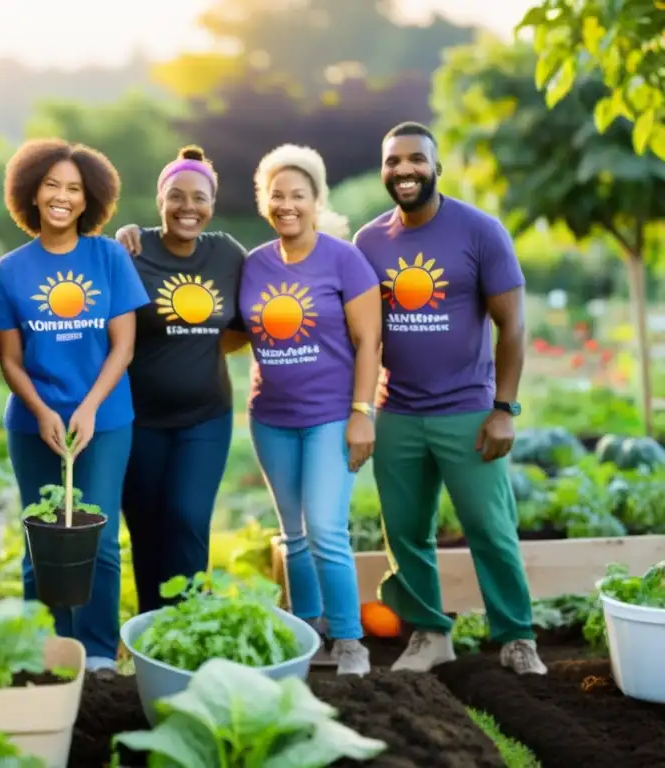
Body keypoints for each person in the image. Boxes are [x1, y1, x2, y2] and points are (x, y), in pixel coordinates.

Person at [354, 121, 547, 675]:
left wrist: (505, 410)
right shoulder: (369, 241)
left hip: (467, 410)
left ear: (436, 167)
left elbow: (512, 327)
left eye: (416, 160)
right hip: (398, 411)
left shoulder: (481, 232)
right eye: (393, 162)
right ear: (384, 170)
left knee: (490, 528)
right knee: (406, 533)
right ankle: (430, 634)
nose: (404, 170)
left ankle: (516, 636)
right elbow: (357, 331)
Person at [0, 138, 149, 671]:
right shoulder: (10, 270)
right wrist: (41, 410)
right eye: (52, 186)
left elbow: (123, 346)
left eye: (74, 189)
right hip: (34, 424)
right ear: (31, 194)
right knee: (43, 539)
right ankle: (50, 650)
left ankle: (100, 653)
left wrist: (87, 407)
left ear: (90, 201)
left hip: (103, 422)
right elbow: (10, 360)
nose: (62, 197)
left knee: (98, 539)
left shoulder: (108, 258)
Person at [240, 144, 381, 676]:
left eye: (298, 194)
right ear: (265, 202)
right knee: (294, 535)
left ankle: (349, 641)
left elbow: (370, 342)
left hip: (330, 416)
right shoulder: (253, 264)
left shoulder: (345, 259)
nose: (287, 204)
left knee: (325, 529)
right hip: (271, 417)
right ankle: (308, 633)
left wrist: (362, 412)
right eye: (277, 195)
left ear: (317, 201)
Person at [110, 146, 246, 614]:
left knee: (187, 518)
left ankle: (191, 625)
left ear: (211, 203)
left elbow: (243, 327)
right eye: (177, 196)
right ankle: (155, 633)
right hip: (137, 419)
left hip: (204, 418)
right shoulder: (132, 251)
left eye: (200, 198)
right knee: (146, 528)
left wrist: (199, 350)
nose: (189, 207)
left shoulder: (228, 254)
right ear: (159, 200)